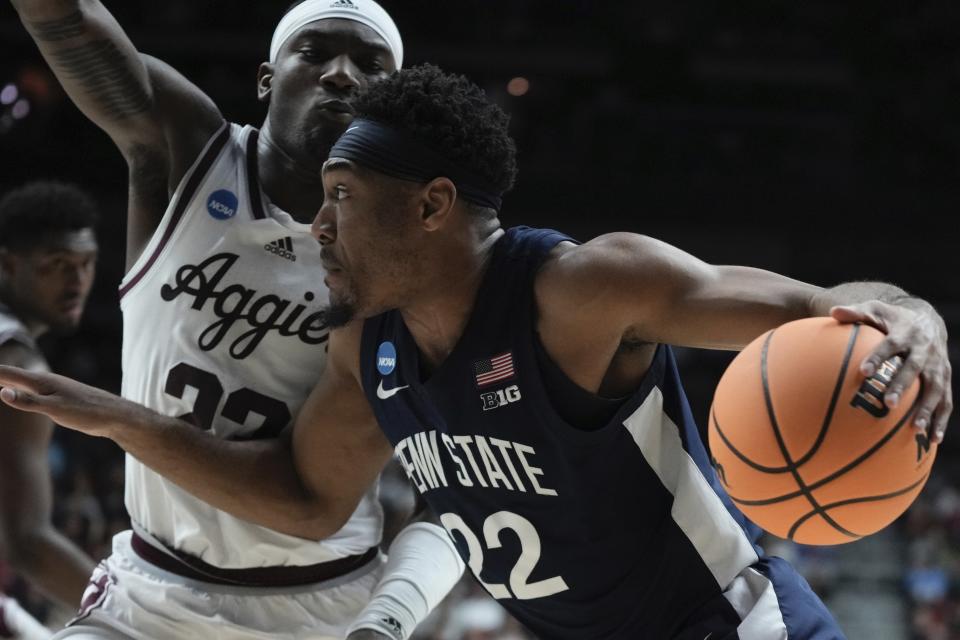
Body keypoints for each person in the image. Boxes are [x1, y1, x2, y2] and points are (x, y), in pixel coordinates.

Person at [0, 65, 951, 638]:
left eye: (340, 197)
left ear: (431, 205)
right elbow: (301, 499)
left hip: (725, 624)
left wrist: (915, 316)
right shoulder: (367, 352)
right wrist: (113, 417)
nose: (317, 225)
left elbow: (820, 307)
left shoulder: (578, 292)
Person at [9, 0, 463, 638]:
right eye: (315, 52)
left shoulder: (408, 258)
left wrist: (392, 615)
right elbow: (72, 24)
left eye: (370, 63)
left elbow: (445, 496)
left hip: (324, 602)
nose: (341, 74)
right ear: (266, 79)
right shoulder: (187, 154)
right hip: (150, 592)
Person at [0, 181, 100, 635]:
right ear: (7, 265)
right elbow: (29, 544)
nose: (77, 281)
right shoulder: (17, 365)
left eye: (86, 263)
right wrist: (136, 615)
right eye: (57, 265)